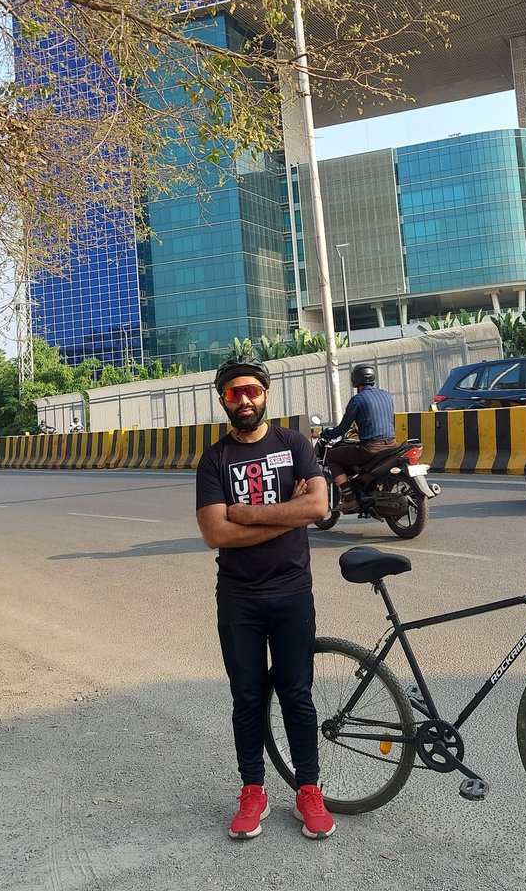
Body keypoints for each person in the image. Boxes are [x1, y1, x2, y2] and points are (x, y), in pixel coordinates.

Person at [195, 356, 336, 843]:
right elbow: (216, 533)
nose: (245, 399)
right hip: (239, 600)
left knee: (298, 695)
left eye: (252, 390)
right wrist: (288, 515)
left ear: (267, 394)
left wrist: (243, 512)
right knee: (248, 697)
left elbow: (318, 506)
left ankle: (308, 789)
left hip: (292, 592)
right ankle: (252, 790)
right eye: (235, 393)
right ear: (223, 401)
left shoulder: (294, 443)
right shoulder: (214, 459)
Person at [321, 363, 396, 508]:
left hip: (371, 449)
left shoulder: (358, 399)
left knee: (332, 456)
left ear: (355, 380)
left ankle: (349, 497)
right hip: (392, 445)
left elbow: (342, 429)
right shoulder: (386, 395)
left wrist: (326, 434)